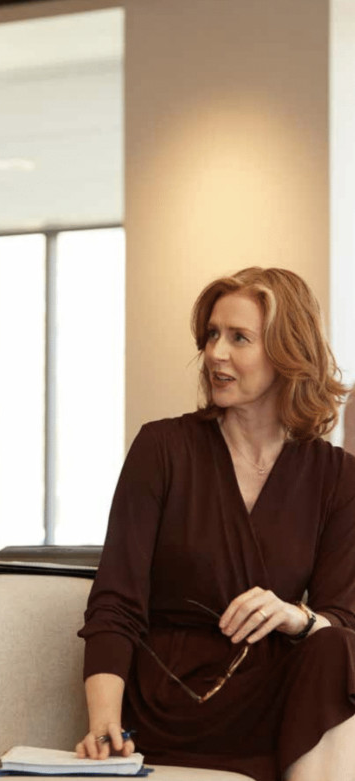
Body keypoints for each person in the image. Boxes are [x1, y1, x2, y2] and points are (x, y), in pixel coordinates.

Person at [76, 267, 355, 781]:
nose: (215, 353)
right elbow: (116, 600)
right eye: (211, 335)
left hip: (276, 698)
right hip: (175, 698)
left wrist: (296, 617)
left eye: (239, 338)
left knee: (334, 646)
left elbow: (343, 619)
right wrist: (103, 723)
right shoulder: (161, 449)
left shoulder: (337, 476)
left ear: (286, 352)